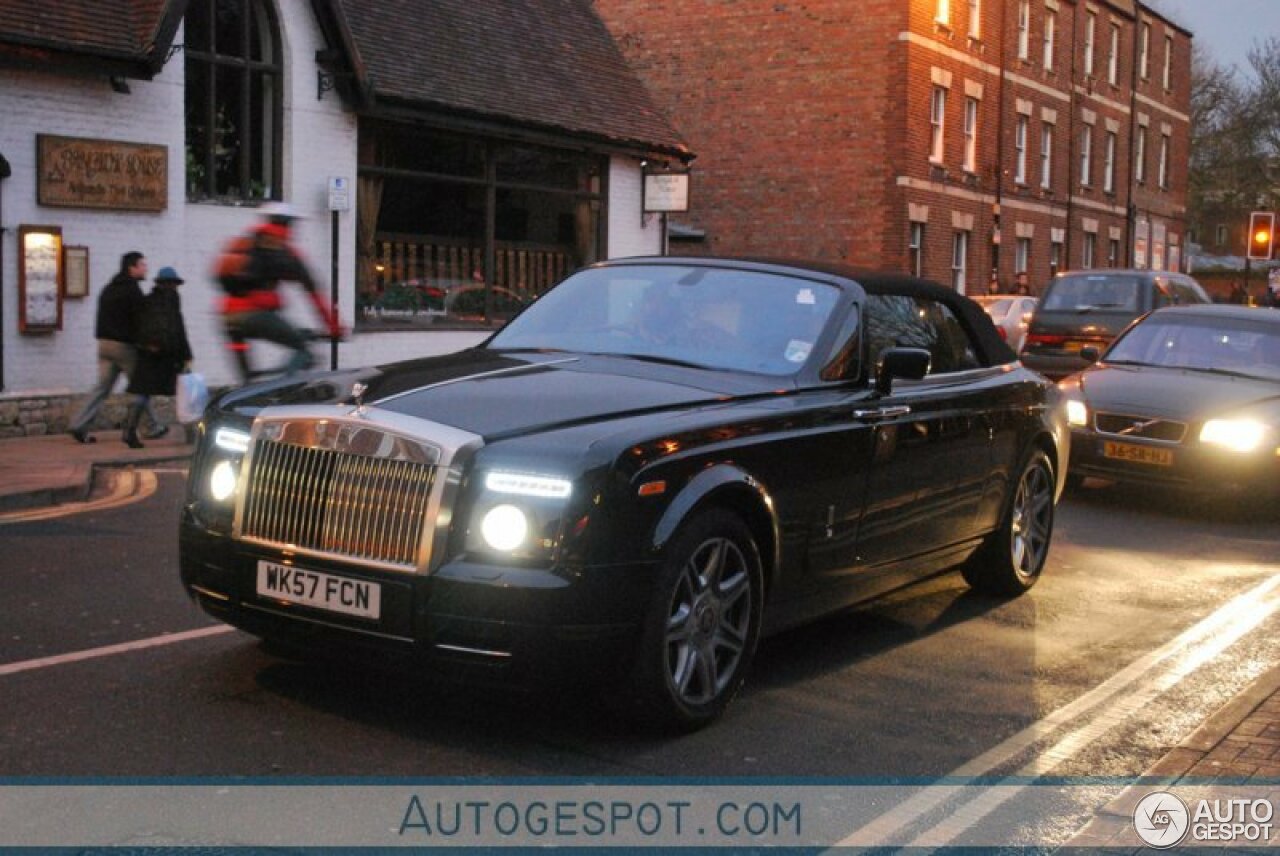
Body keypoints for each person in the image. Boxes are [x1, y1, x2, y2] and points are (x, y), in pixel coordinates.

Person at [218, 204, 343, 381]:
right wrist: (334, 327)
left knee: (246, 376)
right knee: (303, 348)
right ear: (287, 225)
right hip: (254, 315)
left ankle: (247, 387)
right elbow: (314, 294)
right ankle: (283, 390)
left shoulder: (244, 243)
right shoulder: (286, 253)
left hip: (228, 317)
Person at [67, 251, 163, 444]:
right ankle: (151, 426)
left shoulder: (108, 289)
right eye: (142, 265)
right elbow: (139, 322)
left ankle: (79, 424)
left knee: (102, 388)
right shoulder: (132, 291)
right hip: (124, 347)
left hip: (104, 345)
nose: (145, 268)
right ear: (131, 268)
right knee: (142, 385)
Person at [124, 267, 193, 448]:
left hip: (147, 354)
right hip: (169, 356)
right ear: (171, 284)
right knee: (184, 393)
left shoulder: (146, 301)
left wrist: (144, 345)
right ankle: (191, 434)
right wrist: (186, 355)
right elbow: (178, 329)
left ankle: (129, 430)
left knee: (143, 394)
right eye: (175, 284)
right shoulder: (172, 301)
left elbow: (134, 326)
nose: (176, 288)